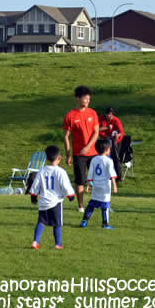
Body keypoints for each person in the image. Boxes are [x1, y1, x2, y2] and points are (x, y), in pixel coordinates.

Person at [29, 145, 75, 250]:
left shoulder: (42, 171)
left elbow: (36, 184)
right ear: (59, 158)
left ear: (47, 158)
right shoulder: (61, 172)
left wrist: (33, 196)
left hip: (43, 201)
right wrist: (70, 195)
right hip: (56, 202)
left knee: (41, 221)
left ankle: (35, 242)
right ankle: (57, 244)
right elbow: (65, 185)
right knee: (57, 224)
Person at [63, 85, 99, 213]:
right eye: (86, 98)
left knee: (99, 180)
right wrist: (68, 155)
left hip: (93, 153)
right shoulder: (70, 116)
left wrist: (88, 147)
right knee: (80, 181)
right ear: (78, 98)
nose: (88, 101)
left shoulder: (92, 113)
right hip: (78, 154)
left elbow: (96, 132)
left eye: (89, 99)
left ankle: (102, 204)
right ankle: (81, 206)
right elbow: (66, 137)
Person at [79, 139, 118, 229]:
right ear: (107, 149)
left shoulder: (94, 159)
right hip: (105, 186)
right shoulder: (108, 161)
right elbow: (111, 174)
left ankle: (84, 221)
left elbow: (90, 173)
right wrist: (115, 186)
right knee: (105, 205)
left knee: (92, 203)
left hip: (96, 185)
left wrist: (88, 185)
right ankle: (105, 223)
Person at [99, 107, 125, 181]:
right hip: (105, 140)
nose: (109, 116)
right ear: (105, 114)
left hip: (115, 141)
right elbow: (96, 129)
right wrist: (106, 127)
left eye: (111, 115)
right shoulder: (100, 119)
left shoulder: (116, 120)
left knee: (115, 158)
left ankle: (118, 177)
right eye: (108, 114)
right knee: (104, 158)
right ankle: (104, 174)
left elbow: (121, 132)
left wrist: (118, 135)